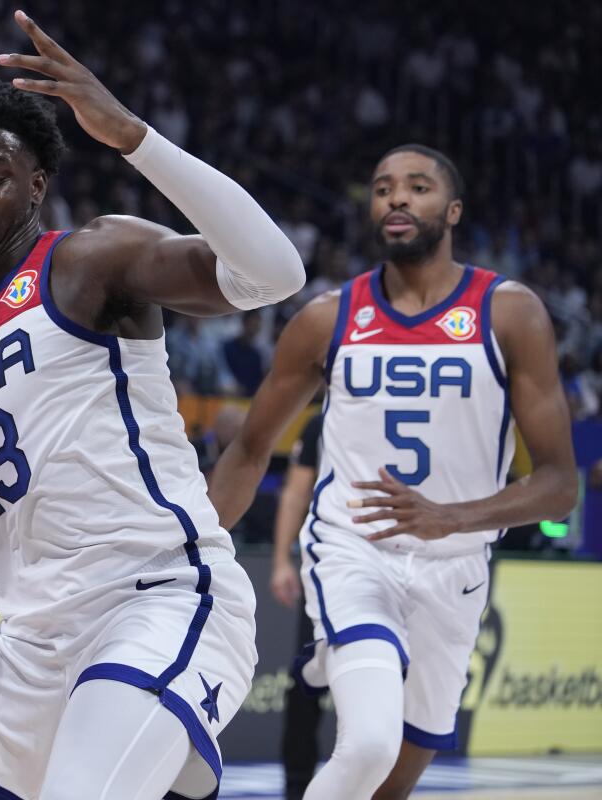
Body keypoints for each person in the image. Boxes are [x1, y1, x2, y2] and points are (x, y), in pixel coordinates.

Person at [0, 11, 305, 800]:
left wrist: (134, 135)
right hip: (33, 645)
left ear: (35, 185)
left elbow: (274, 274)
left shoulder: (87, 260)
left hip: (158, 600)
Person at [210, 145, 577, 799]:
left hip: (456, 567)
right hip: (355, 550)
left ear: (453, 211)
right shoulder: (327, 318)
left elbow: (558, 483)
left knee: (392, 782)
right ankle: (345, 647)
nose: (397, 198)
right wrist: (199, 545)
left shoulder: (509, 312)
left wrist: (452, 518)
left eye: (417, 187)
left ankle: (349, 660)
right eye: (382, 189)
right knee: (370, 744)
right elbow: (250, 448)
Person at [266, 413, 325, 800]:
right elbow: (295, 491)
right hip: (329, 569)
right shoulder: (321, 422)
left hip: (401, 566)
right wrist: (283, 560)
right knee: (306, 683)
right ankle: (296, 788)